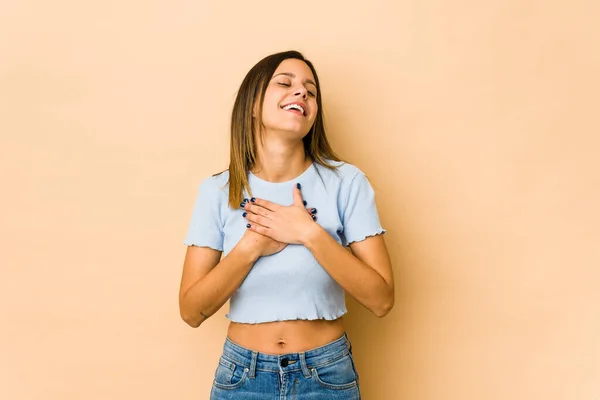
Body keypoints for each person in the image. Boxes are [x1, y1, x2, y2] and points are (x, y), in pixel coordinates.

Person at [179, 50, 394, 399]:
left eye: (310, 90)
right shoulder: (218, 190)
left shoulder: (347, 183)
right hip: (242, 378)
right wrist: (251, 247)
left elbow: (382, 299)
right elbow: (191, 311)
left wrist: (308, 233)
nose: (302, 93)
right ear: (252, 104)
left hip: (326, 375)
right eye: (285, 83)